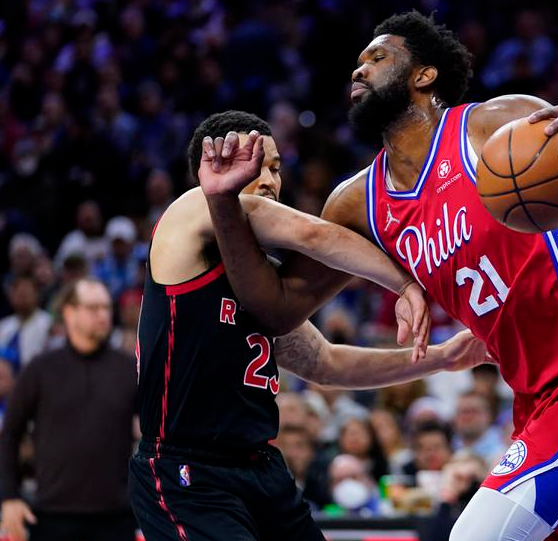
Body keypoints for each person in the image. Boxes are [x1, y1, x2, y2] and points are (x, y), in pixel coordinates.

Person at [205, 12, 558, 541]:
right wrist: (222, 209)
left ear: (423, 75)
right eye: (357, 63)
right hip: (539, 402)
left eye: (377, 57)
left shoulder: (497, 126)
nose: (358, 71)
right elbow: (277, 307)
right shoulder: (356, 203)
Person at [129, 110, 490, 541]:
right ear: (215, 168)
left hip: (261, 467)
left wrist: (440, 359)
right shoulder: (188, 212)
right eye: (253, 164)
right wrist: (404, 282)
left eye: (276, 168)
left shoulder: (260, 282)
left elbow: (325, 362)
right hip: (188, 471)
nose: (269, 181)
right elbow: (314, 236)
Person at [0, 278, 138, 541]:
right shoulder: (40, 370)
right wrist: (9, 497)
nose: (103, 315)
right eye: (94, 307)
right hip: (52, 516)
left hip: (117, 517)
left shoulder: (127, 369)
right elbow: (9, 434)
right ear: (69, 313)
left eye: (107, 308)